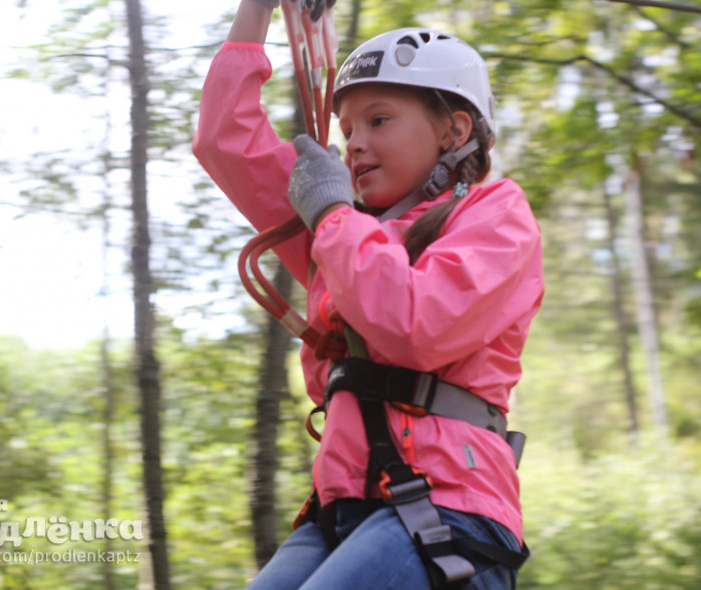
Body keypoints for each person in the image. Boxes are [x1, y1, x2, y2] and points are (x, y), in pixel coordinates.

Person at [193, 1, 544, 588]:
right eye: (347, 129)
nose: (353, 144)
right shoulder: (342, 231)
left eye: (378, 121)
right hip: (344, 506)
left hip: (451, 506)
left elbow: (417, 326)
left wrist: (331, 211)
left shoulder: (496, 214)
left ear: (454, 131)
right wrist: (258, 7)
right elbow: (225, 141)